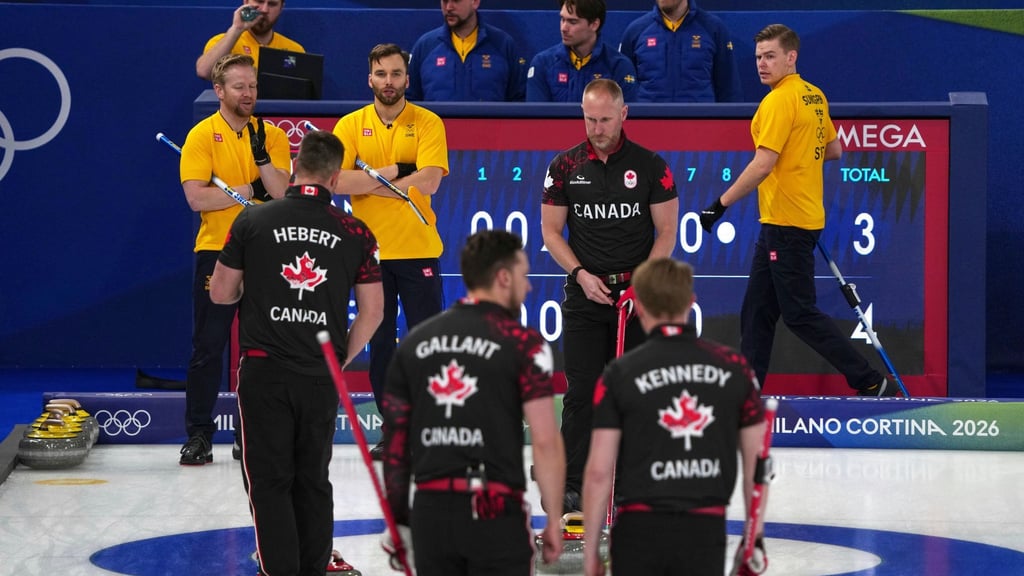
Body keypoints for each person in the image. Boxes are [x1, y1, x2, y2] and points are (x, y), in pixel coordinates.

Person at [208, 129, 384, 576]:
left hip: (264, 373)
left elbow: (221, 293)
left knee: (269, 483)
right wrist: (341, 357)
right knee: (312, 480)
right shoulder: (356, 231)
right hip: (319, 374)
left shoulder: (251, 221)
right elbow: (374, 312)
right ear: (335, 177)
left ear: (294, 167)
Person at [699, 23, 898, 397]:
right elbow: (834, 150)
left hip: (787, 224)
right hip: (791, 221)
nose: (761, 64)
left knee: (800, 314)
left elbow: (763, 163)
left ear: (791, 57)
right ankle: (748, 391)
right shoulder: (814, 96)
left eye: (770, 56)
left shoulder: (777, 101)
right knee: (756, 312)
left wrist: (718, 205)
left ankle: (869, 380)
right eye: (758, 57)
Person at [380, 229, 566, 575]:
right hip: (495, 508)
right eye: (524, 276)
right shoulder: (525, 344)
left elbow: (396, 443)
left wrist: (399, 519)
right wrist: (553, 518)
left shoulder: (414, 344)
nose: (528, 287)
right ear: (503, 277)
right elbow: (545, 441)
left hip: (431, 511)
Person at [541, 78, 679, 512]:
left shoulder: (652, 165)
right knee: (581, 391)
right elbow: (550, 231)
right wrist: (580, 274)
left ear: (624, 115)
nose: (596, 127)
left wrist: (642, 284)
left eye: (604, 119)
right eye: (588, 119)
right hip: (585, 296)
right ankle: (571, 485)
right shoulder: (564, 166)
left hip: (635, 300)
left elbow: (668, 232)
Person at [581, 257, 766, 576]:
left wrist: (592, 550)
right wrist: (755, 537)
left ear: (637, 305)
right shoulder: (734, 368)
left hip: (637, 527)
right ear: (691, 302)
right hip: (704, 527)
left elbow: (599, 471)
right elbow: (757, 466)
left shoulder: (619, 373)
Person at [331, 43, 449, 459]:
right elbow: (336, 182)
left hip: (418, 248)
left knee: (425, 344)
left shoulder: (429, 122)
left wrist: (370, 179)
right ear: (370, 78)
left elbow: (431, 181)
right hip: (370, 252)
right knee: (381, 344)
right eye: (381, 74)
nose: (389, 82)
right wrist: (398, 172)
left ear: (407, 78)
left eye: (396, 74)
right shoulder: (349, 125)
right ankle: (393, 430)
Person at [178, 53, 291, 466]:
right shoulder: (201, 136)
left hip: (265, 250)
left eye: (253, 86)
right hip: (217, 251)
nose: (248, 94)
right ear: (220, 91)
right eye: (240, 86)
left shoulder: (273, 136)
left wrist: (263, 162)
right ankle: (199, 436)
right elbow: (197, 197)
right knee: (208, 346)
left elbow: (281, 194)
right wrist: (248, 186)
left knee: (260, 349)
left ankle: (252, 435)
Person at [619, 0, 742, 103]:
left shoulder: (713, 28)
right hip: (649, 123)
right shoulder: (635, 31)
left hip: (700, 123)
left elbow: (729, 88)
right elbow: (624, 90)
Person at [407, 0, 528, 102]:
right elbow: (410, 100)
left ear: (475, 2)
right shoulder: (425, 46)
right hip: (437, 129)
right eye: (444, 1)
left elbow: (517, 100)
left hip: (491, 129)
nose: (449, 7)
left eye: (456, 0)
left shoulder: (502, 44)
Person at [527, 0, 637, 103]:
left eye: (572, 22)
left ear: (594, 24)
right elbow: (536, 119)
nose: (564, 28)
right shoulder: (542, 64)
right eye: (562, 19)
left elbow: (626, 118)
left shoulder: (619, 66)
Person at [196, 0, 304, 81]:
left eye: (272, 4)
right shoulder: (224, 43)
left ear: (281, 8)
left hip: (276, 110)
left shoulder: (294, 50)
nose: (264, 10)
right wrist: (237, 29)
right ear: (246, 2)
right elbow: (204, 72)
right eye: (259, 1)